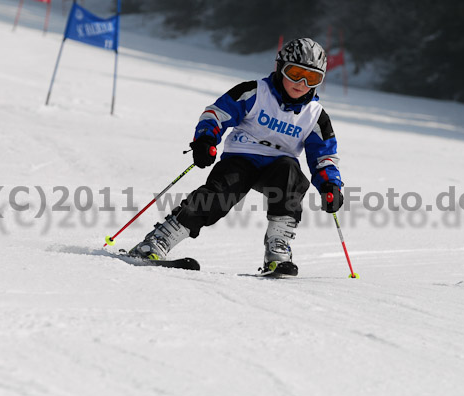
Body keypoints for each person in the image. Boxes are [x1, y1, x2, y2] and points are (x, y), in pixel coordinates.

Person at [130, 38, 344, 276]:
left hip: (279, 168)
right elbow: (216, 113)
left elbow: (324, 155)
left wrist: (329, 185)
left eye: (312, 78)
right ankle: (158, 240)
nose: (301, 84)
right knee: (218, 196)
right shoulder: (254, 92)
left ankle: (278, 249)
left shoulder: (315, 116)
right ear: (280, 68)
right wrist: (206, 140)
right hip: (242, 158)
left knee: (291, 176)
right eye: (295, 74)